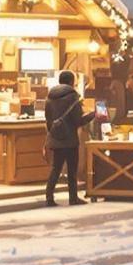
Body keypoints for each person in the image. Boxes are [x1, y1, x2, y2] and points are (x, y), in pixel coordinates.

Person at [43, 70, 88, 205]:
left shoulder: (50, 97)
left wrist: (54, 132)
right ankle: (73, 198)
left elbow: (48, 118)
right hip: (70, 139)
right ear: (71, 81)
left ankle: (49, 198)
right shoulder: (73, 97)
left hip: (56, 137)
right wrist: (91, 116)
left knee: (55, 168)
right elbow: (77, 120)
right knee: (72, 170)